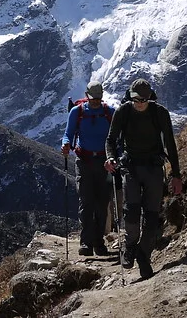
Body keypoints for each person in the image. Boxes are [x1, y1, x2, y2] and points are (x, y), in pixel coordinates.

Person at [104, 78, 182, 279]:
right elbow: (111, 140)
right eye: (135, 99)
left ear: (150, 98)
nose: (138, 103)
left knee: (152, 214)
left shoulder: (160, 113)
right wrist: (111, 157)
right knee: (131, 209)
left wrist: (176, 175)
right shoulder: (123, 112)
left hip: (154, 167)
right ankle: (130, 246)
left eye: (143, 100)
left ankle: (144, 255)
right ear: (129, 96)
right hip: (131, 166)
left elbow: (171, 146)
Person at [61, 81, 115, 256]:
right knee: (86, 202)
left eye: (98, 98)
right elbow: (68, 133)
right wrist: (66, 144)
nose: (95, 102)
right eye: (93, 98)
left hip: (104, 163)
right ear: (87, 95)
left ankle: (98, 243)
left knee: (102, 204)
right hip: (84, 161)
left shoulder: (109, 113)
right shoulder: (77, 112)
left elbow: (117, 137)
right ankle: (86, 243)